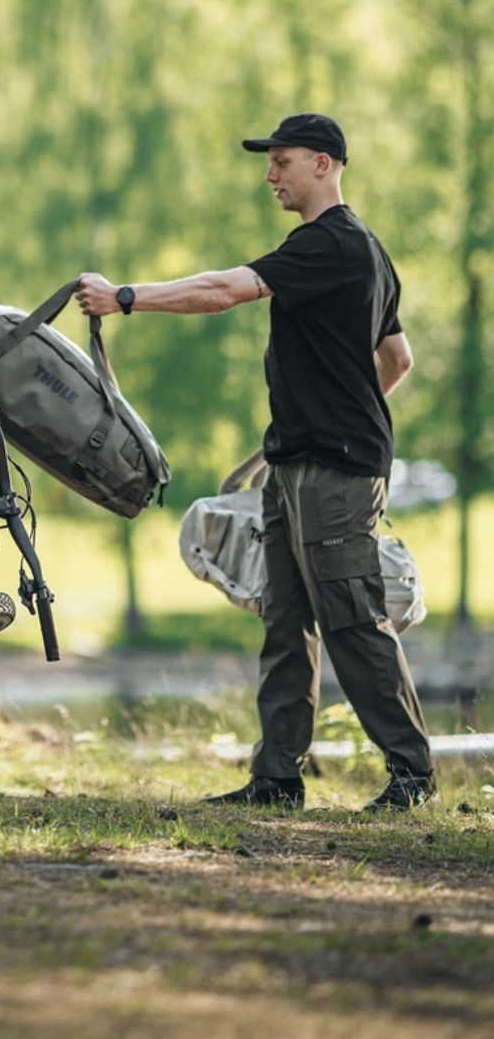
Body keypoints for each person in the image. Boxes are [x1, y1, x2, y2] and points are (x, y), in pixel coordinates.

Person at [75, 113, 435, 813]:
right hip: (300, 460)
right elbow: (397, 360)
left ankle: (414, 776)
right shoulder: (370, 251)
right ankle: (276, 779)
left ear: (325, 165)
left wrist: (124, 298)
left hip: (335, 470)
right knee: (285, 620)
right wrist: (324, 413)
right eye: (269, 163)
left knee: (353, 620)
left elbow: (222, 291)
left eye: (283, 162)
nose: (270, 175)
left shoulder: (328, 244)